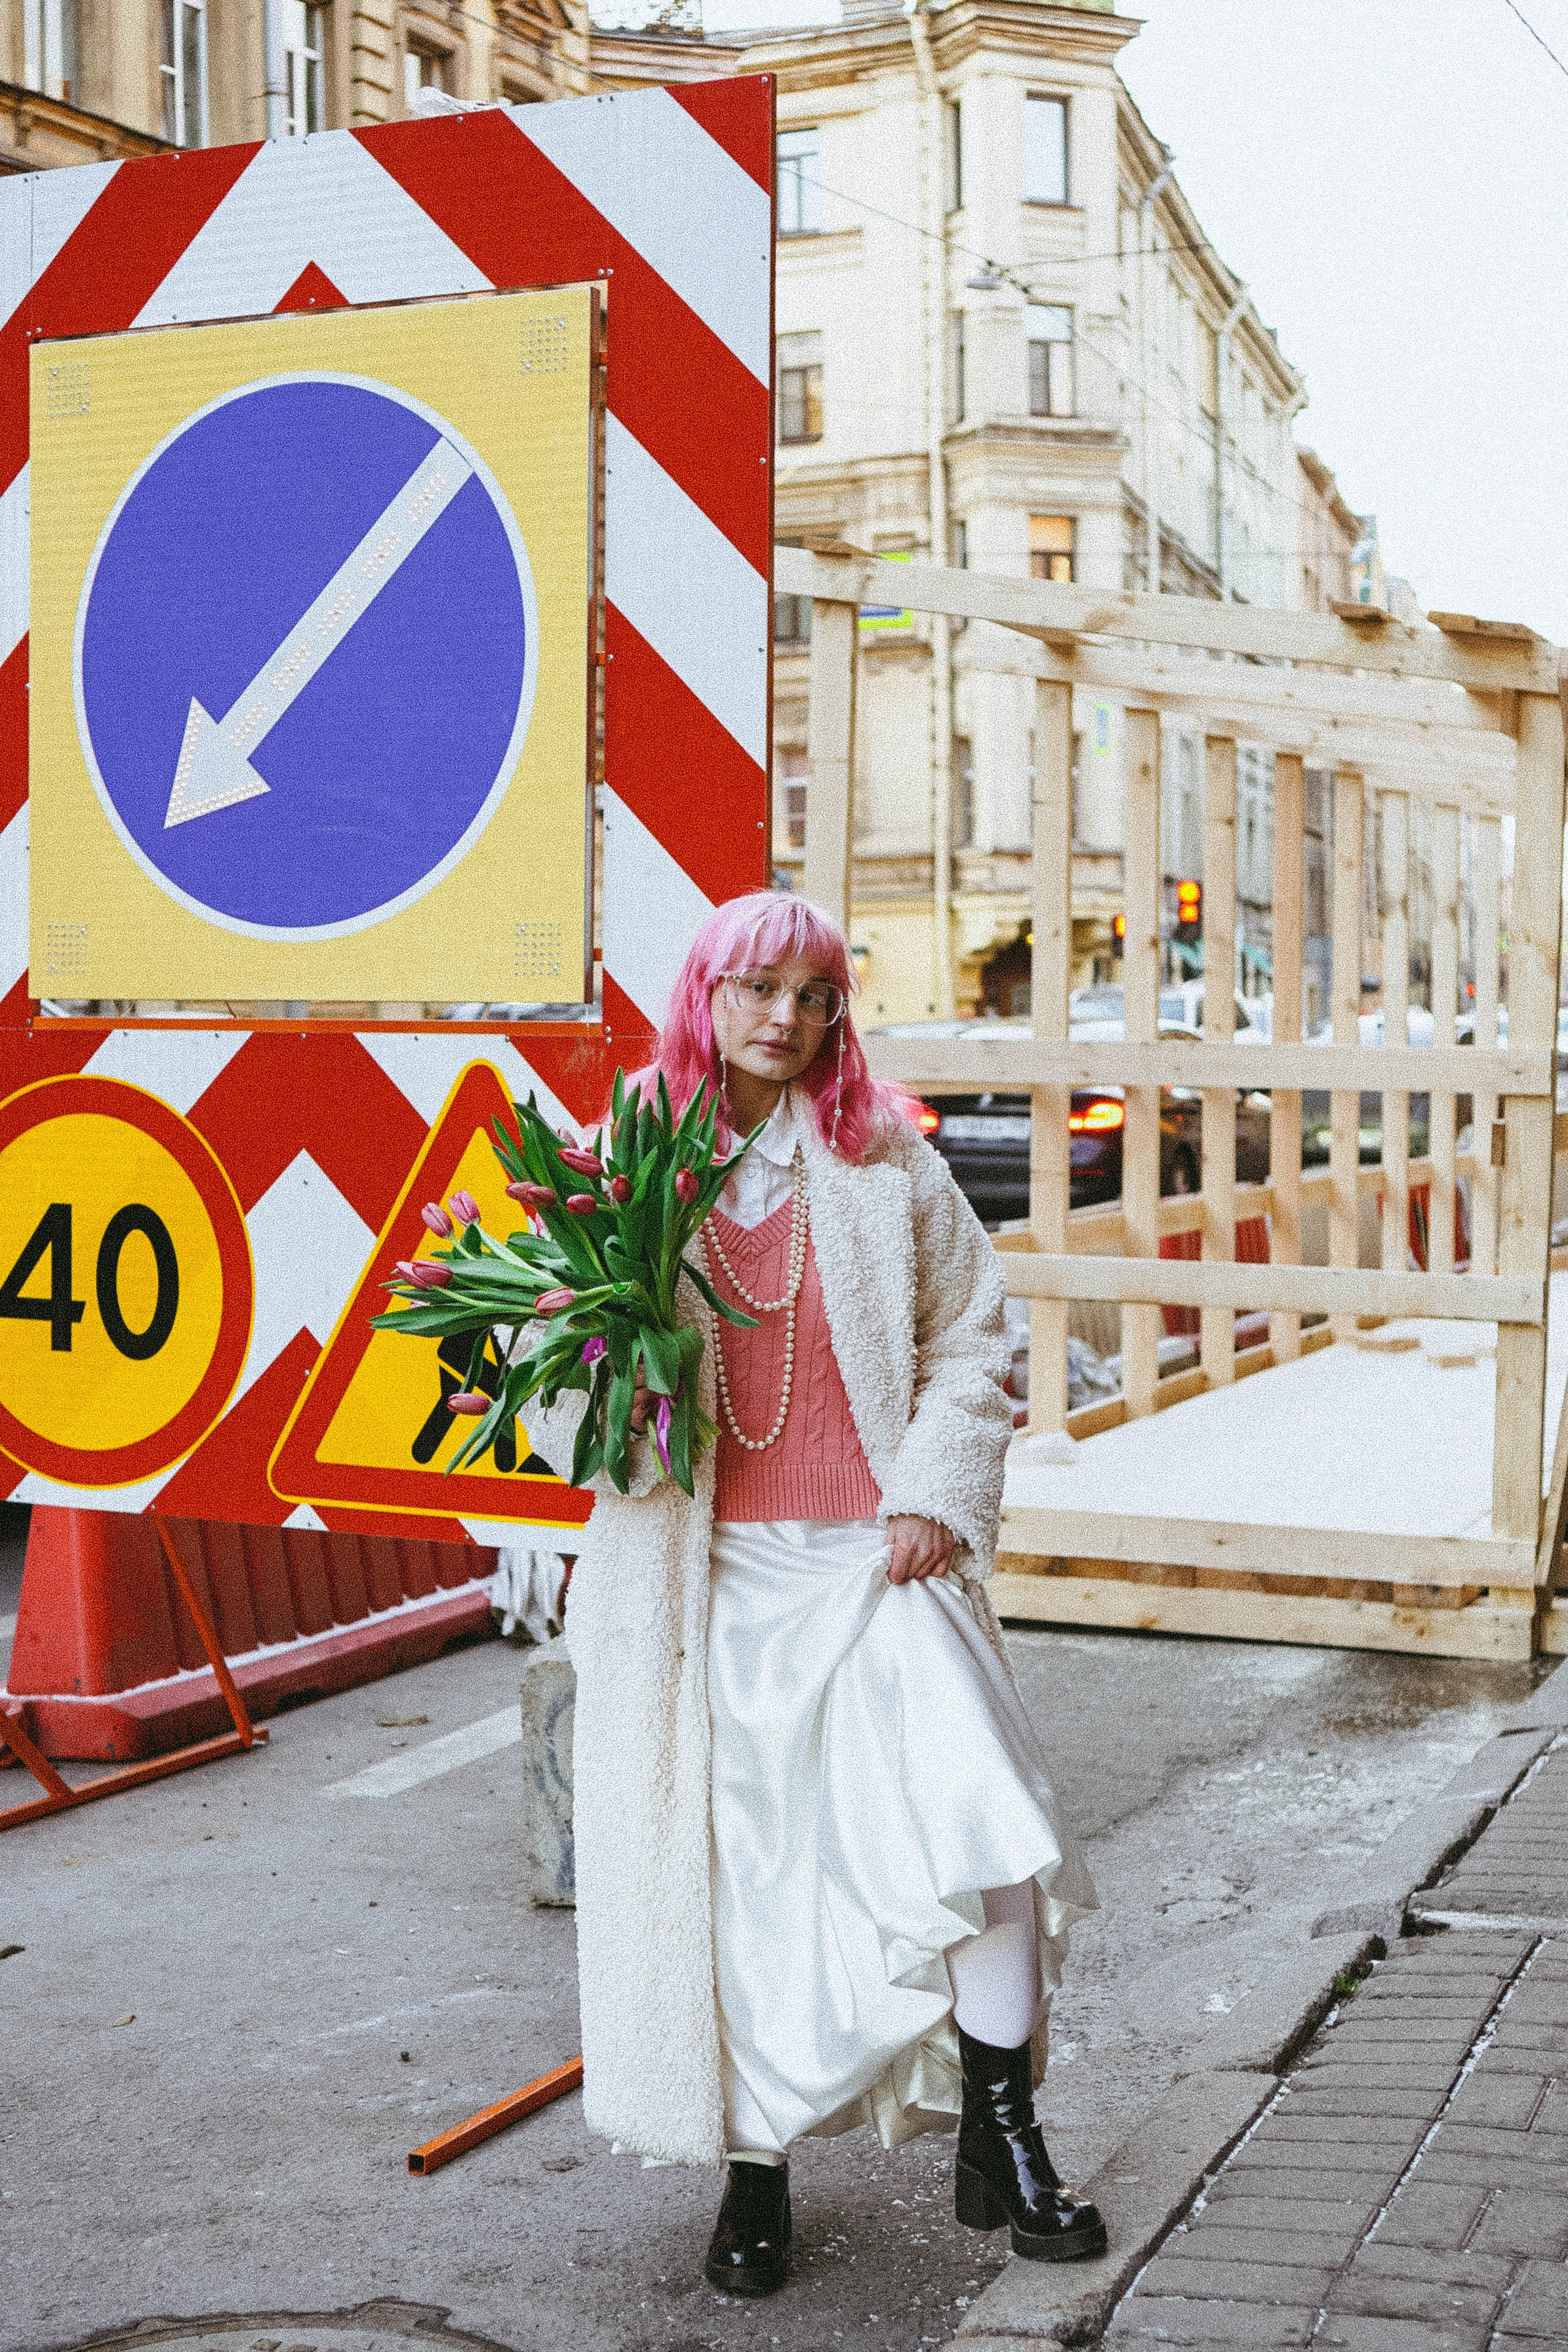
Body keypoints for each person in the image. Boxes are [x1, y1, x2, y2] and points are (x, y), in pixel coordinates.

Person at [526, 889, 1102, 2296]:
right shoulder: (622, 1166)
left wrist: (930, 1497)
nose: (786, 1019)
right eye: (758, 990)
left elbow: (975, 1337)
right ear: (705, 997)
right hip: (699, 1585)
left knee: (983, 1831)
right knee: (738, 1885)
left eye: (815, 995)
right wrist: (605, 1381)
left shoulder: (882, 1159)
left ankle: (1010, 2135)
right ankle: (753, 2179)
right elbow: (551, 1381)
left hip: (876, 1561)